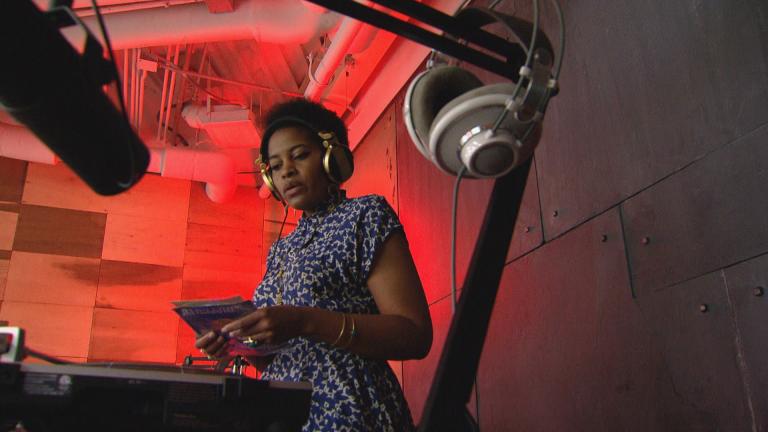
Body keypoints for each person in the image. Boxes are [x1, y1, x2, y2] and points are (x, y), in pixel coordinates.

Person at [195, 98, 433, 431]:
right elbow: (282, 359)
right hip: (282, 416)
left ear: (331, 158)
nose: (286, 171)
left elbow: (415, 335)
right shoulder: (280, 249)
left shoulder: (365, 215)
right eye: (275, 166)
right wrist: (239, 346)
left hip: (351, 410)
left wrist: (307, 320)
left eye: (299, 155)